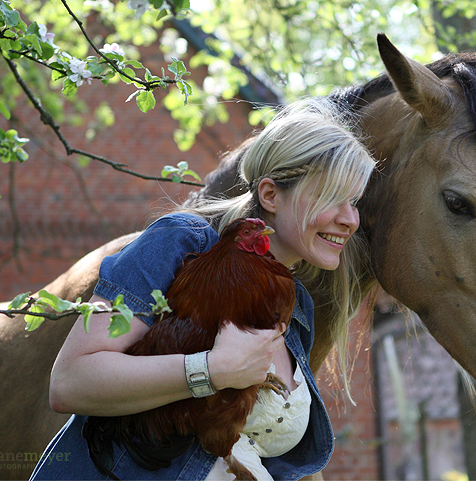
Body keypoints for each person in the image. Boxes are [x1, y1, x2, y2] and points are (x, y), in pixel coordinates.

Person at [30, 98, 377, 480]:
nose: (350, 220)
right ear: (270, 195)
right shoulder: (182, 244)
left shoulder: (298, 311)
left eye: (354, 202)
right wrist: (210, 370)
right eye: (332, 198)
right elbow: (70, 382)